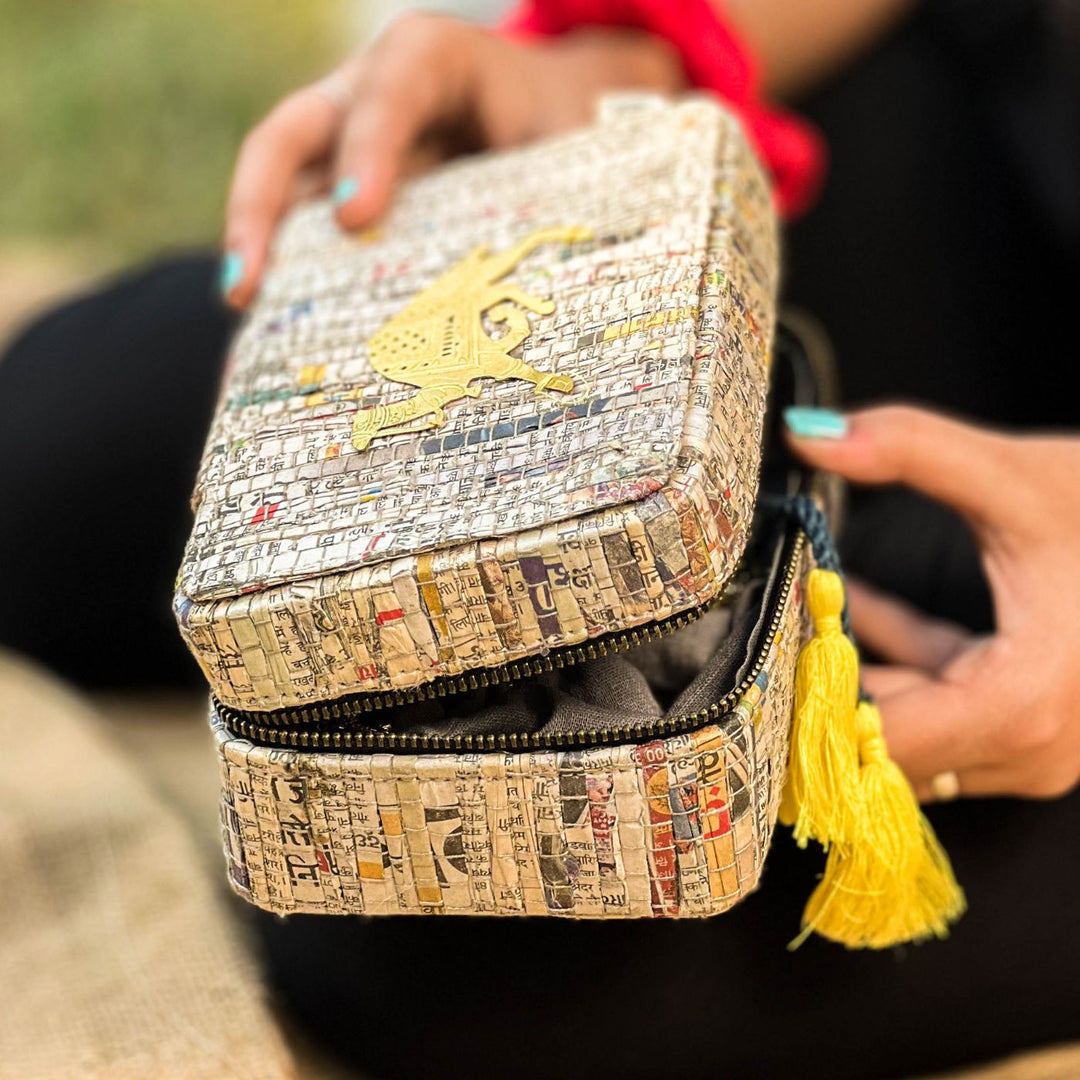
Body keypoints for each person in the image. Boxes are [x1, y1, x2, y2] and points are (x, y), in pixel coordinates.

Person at [1, 1, 1077, 1076]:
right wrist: (643, 48)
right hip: (973, 136)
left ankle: (759, 563)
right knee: (42, 454)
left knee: (443, 942)